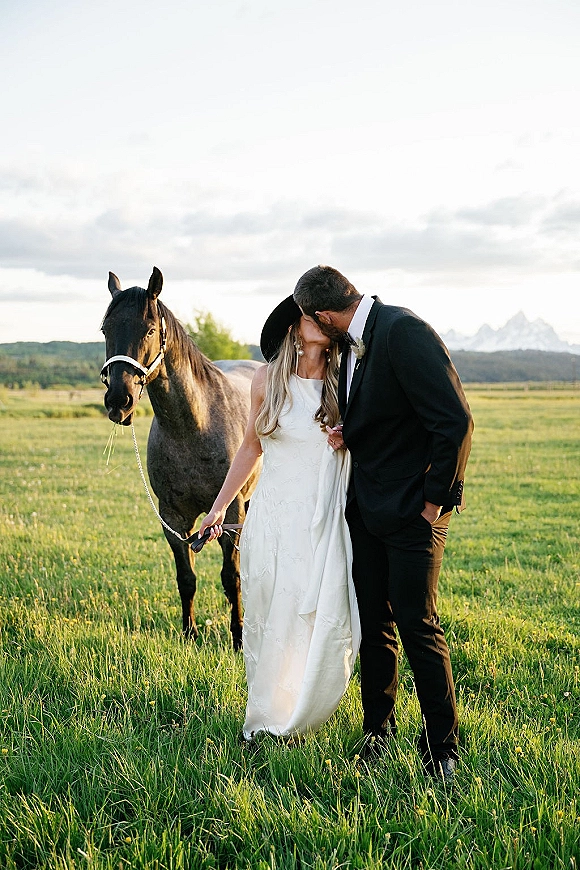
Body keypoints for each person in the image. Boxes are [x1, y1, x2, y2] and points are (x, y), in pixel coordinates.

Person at [293, 265, 473, 783]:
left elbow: (454, 421)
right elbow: (390, 414)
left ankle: (442, 748)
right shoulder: (349, 344)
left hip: (415, 514)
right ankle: (378, 732)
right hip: (365, 510)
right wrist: (350, 431)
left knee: (419, 626)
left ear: (322, 316)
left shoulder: (402, 331)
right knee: (374, 625)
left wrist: (435, 504)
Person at [198, 296, 361, 740]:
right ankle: (270, 708)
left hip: (322, 513)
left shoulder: (343, 379)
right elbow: (251, 447)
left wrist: (347, 437)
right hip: (272, 514)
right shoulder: (266, 380)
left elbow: (366, 437)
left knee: (311, 610)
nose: (321, 321)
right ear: (293, 326)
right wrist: (218, 507)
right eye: (311, 314)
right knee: (272, 610)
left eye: (325, 316)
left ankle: (306, 707)